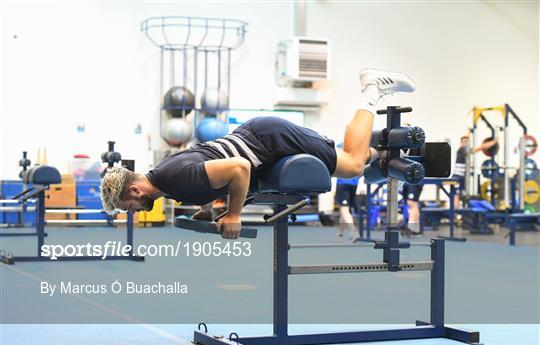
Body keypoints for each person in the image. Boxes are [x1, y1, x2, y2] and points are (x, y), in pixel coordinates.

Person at [100, 68, 416, 239]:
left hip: (269, 138)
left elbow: (238, 168)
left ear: (134, 189)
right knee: (352, 162)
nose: (130, 212)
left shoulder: (172, 177)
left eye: (125, 206)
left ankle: (372, 91)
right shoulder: (165, 180)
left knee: (351, 165)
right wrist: (208, 209)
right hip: (262, 139)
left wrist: (234, 214)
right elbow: (207, 170)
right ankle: (379, 153)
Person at [452, 135, 498, 208]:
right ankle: (454, 214)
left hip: (463, 177)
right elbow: (482, 147)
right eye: (464, 142)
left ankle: (458, 212)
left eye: (467, 142)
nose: (465, 143)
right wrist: (494, 141)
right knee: (456, 195)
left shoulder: (465, 150)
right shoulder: (462, 149)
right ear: (461, 143)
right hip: (458, 177)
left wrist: (469, 132)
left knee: (461, 195)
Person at [334, 172, 361, 242]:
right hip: (354, 183)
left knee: (344, 210)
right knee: (345, 211)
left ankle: (354, 231)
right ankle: (340, 235)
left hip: (343, 183)